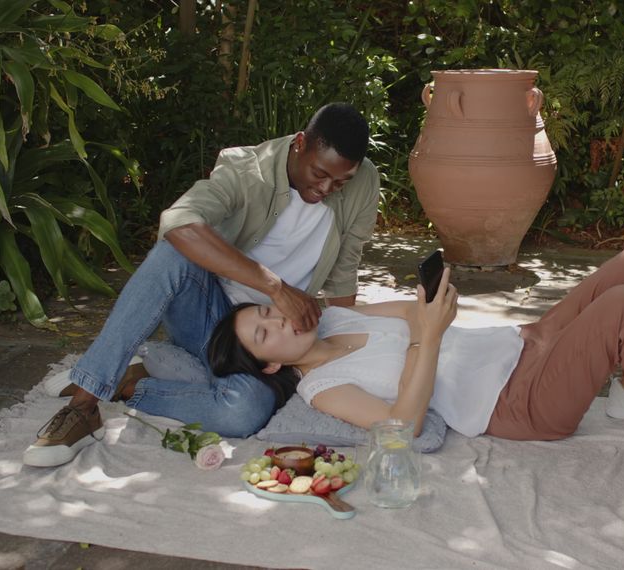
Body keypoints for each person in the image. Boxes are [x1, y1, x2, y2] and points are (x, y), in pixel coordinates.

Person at [23, 103, 381, 467]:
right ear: (301, 144)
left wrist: (338, 352)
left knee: (244, 411)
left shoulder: (363, 180)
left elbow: (343, 270)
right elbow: (178, 224)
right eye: (320, 174)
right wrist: (276, 288)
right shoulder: (247, 170)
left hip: (277, 342)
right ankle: (84, 406)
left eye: (339, 182)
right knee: (171, 256)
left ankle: (127, 380)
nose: (326, 188)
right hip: (211, 318)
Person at [209, 245, 624, 454]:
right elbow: (400, 424)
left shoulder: (335, 314)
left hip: (518, 348)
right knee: (622, 305)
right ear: (271, 364)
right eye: (265, 333)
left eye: (268, 311)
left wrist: (426, 321)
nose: (278, 320)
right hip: (516, 405)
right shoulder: (323, 389)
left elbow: (410, 310)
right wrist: (424, 339)